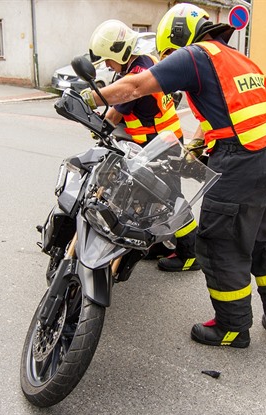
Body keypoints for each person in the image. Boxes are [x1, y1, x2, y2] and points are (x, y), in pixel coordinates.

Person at [82, 3, 266, 349]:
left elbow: (136, 86)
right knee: (262, 240)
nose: (168, 62)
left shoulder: (195, 55)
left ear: (178, 39)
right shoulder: (236, 58)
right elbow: (228, 112)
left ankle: (231, 328)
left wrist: (88, 97)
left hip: (243, 161)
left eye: (168, 54)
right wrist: (198, 145)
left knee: (221, 244)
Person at [85, 19, 200, 273]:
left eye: (107, 59)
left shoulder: (136, 75)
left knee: (171, 199)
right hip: (158, 142)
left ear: (119, 51)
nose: (106, 65)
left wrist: (95, 126)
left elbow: (114, 114)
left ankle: (191, 254)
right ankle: (163, 244)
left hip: (161, 145)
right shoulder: (143, 62)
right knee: (154, 198)